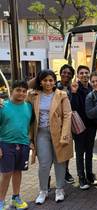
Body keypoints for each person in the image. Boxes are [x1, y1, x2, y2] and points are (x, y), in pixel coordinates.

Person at [27, 70, 73, 204]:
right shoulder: (34, 95)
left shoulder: (61, 94)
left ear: (54, 81)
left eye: (51, 80)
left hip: (59, 133)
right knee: (44, 163)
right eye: (45, 80)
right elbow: (20, 99)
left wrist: (65, 135)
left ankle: (60, 189)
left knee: (60, 161)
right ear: (40, 82)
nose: (48, 83)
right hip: (41, 133)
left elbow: (67, 115)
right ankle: (43, 190)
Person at [0, 81, 33, 210]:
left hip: (23, 144)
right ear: (12, 90)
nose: (21, 93)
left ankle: (15, 198)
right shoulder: (3, 106)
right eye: (18, 90)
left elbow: (30, 125)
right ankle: (1, 201)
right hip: (6, 144)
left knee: (18, 171)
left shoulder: (29, 107)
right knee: (6, 173)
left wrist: (30, 142)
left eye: (24, 91)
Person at [70, 65, 97, 190]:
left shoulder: (93, 88)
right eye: (81, 73)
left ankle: (90, 174)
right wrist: (74, 93)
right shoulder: (75, 88)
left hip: (91, 125)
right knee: (80, 152)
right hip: (78, 126)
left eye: (86, 73)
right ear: (78, 75)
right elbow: (73, 107)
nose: (84, 75)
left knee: (89, 152)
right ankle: (81, 177)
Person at [55, 64, 75, 184]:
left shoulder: (72, 87)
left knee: (66, 148)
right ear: (60, 73)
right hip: (56, 122)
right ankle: (54, 174)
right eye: (64, 72)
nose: (66, 75)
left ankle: (65, 171)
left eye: (69, 73)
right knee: (54, 149)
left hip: (69, 122)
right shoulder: (54, 86)